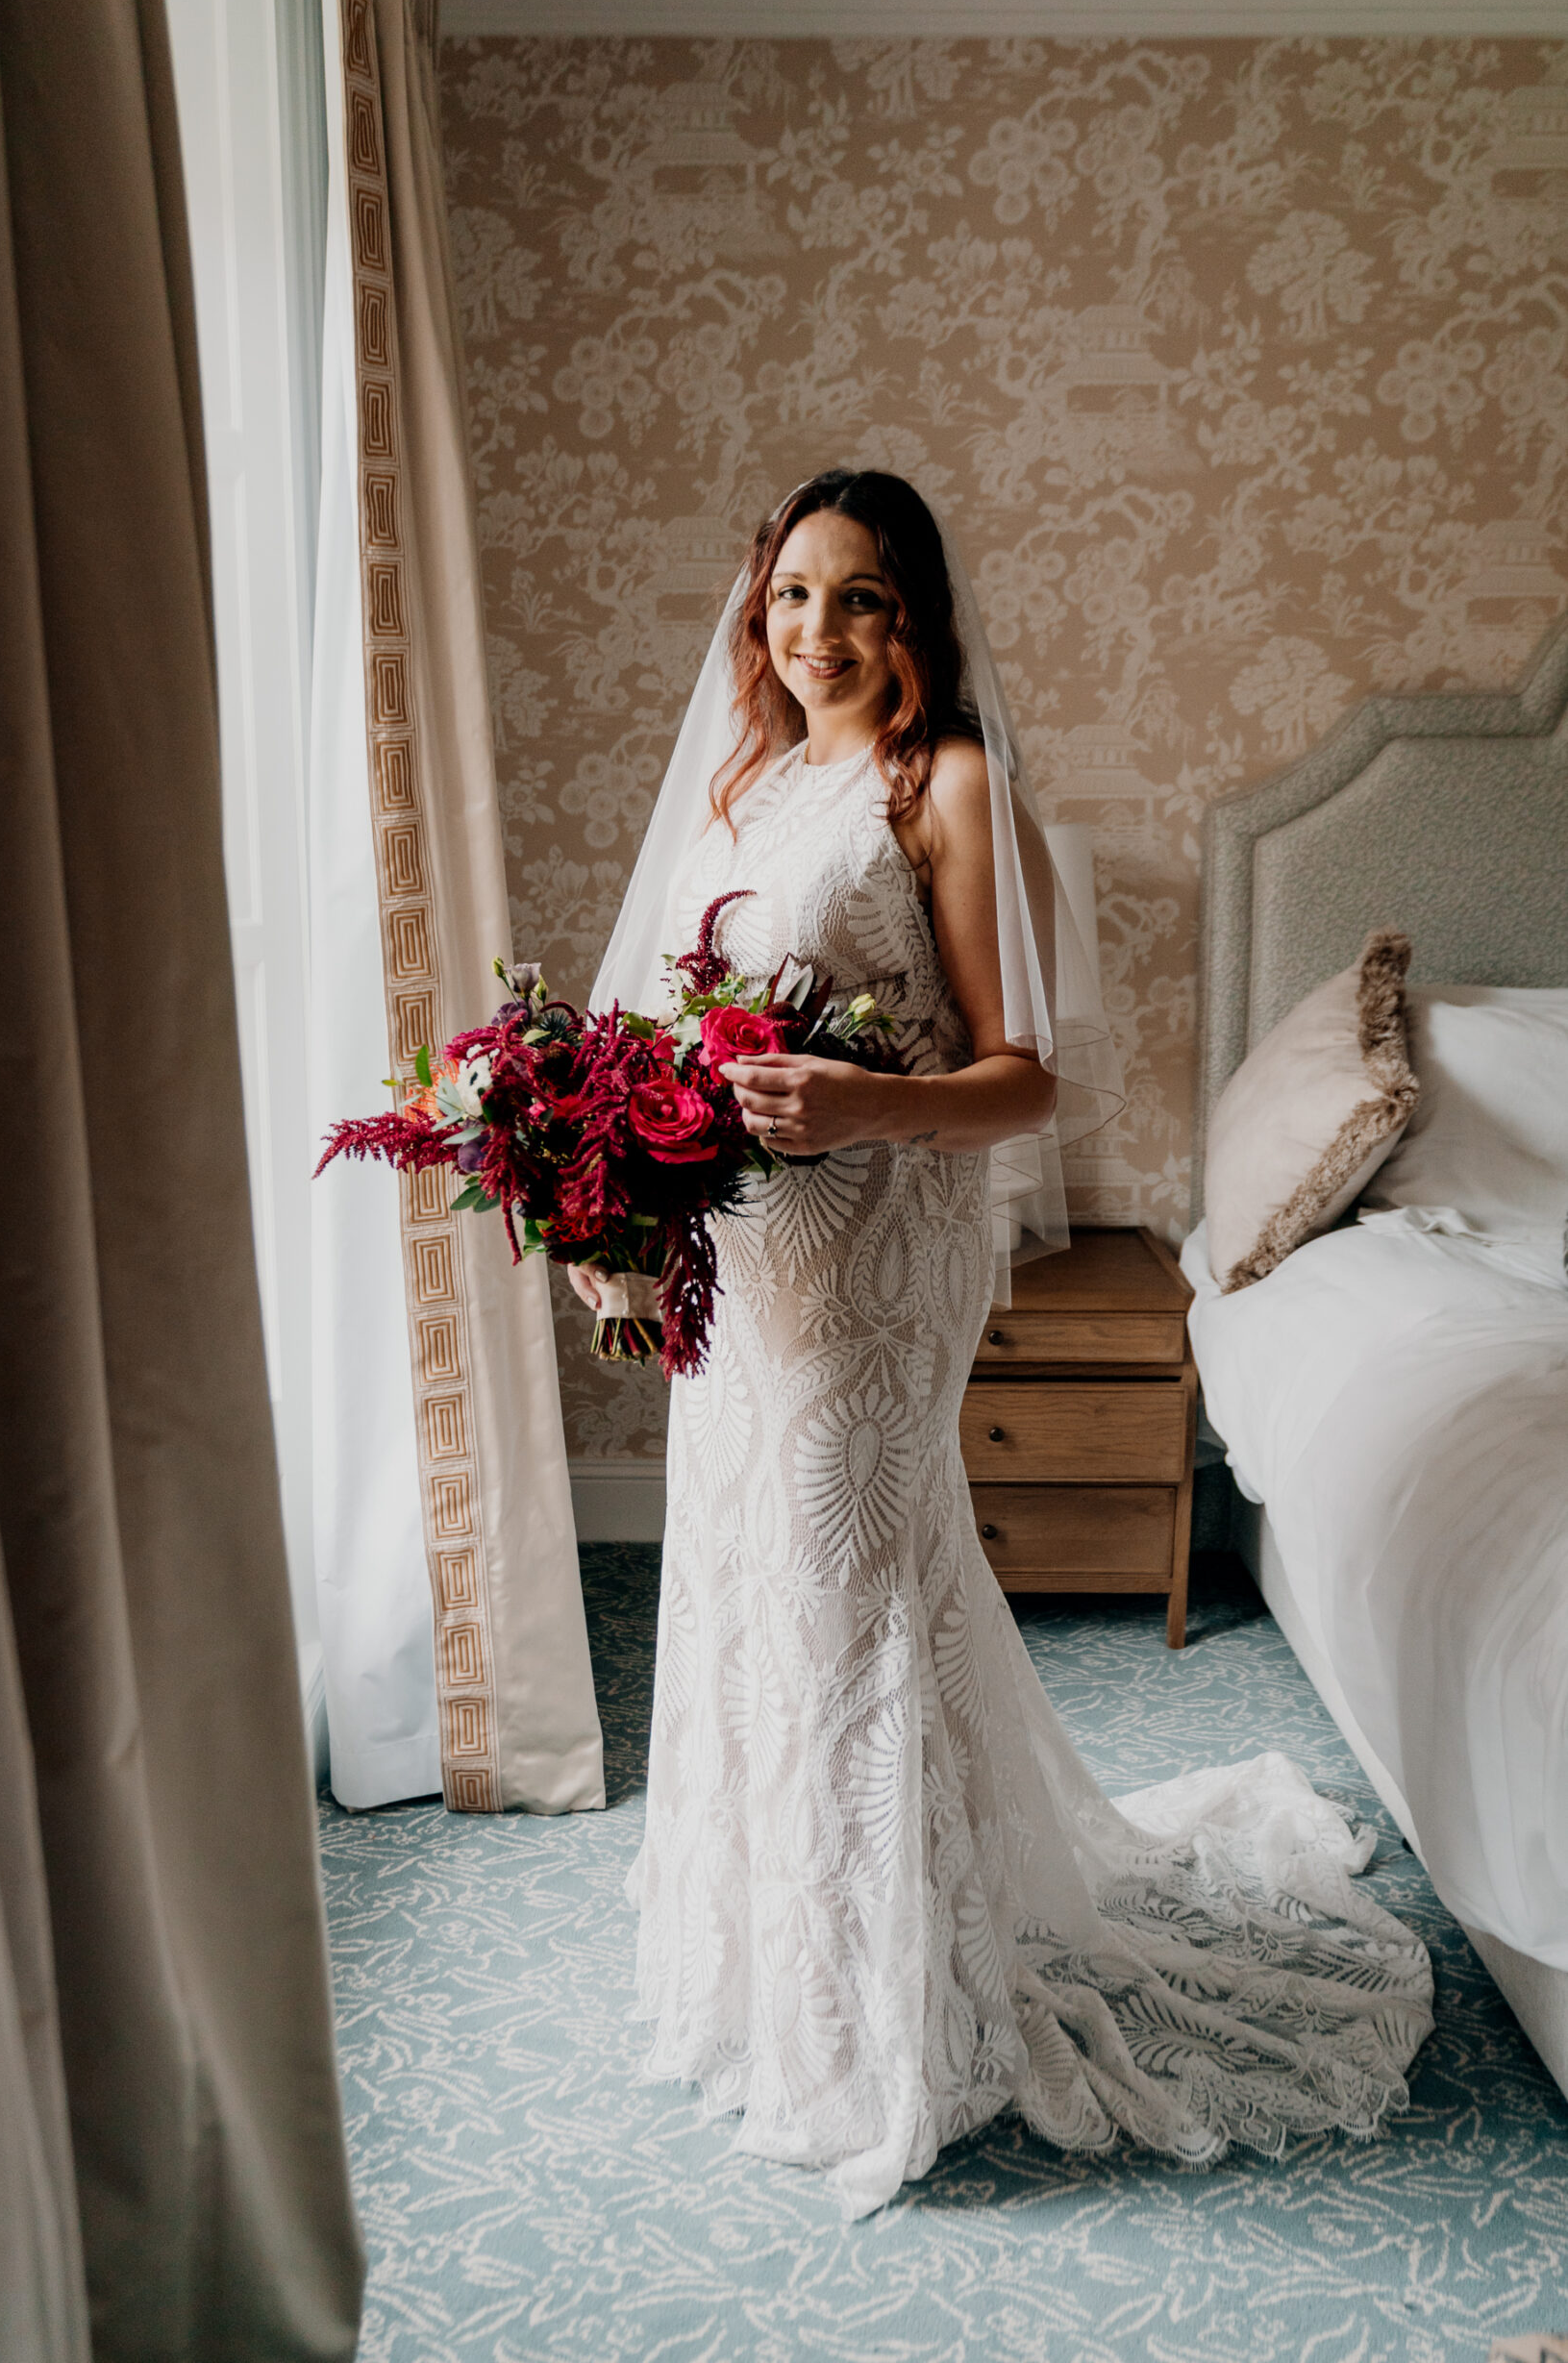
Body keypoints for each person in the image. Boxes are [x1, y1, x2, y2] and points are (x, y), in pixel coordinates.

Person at [575, 470, 1431, 2219]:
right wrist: (624, 1223)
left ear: (919, 622)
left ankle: (898, 2022)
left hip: (883, 1258)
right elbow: (669, 1053)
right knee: (751, 1586)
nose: (818, 632)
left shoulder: (944, 785)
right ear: (761, 611)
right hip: (750, 1263)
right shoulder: (745, 786)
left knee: (852, 1594)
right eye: (794, 595)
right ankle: (783, 1978)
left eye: (862, 600)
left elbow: (1022, 1078)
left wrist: (859, 1102)